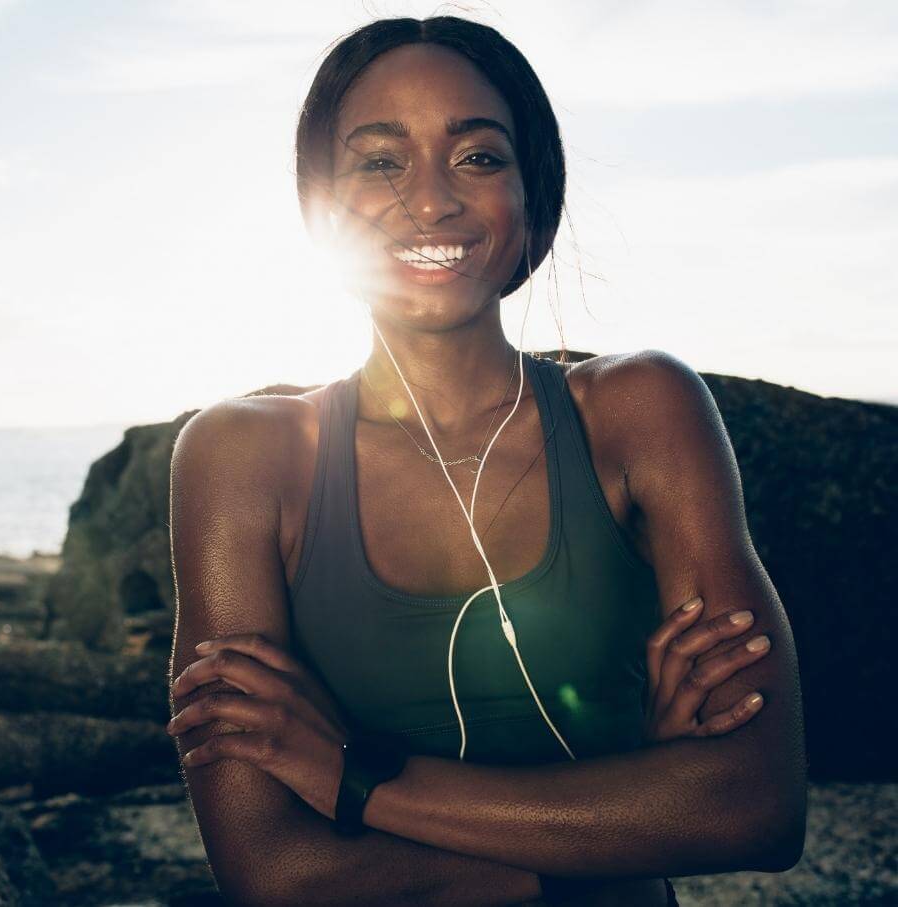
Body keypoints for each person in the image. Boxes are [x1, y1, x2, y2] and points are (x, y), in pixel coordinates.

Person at [166, 15, 806, 906]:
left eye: (477, 157)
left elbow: (757, 808)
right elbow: (273, 873)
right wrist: (631, 814)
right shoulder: (243, 455)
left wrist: (359, 781)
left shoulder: (641, 412)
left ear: (532, 192)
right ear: (323, 207)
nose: (430, 201)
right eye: (380, 162)